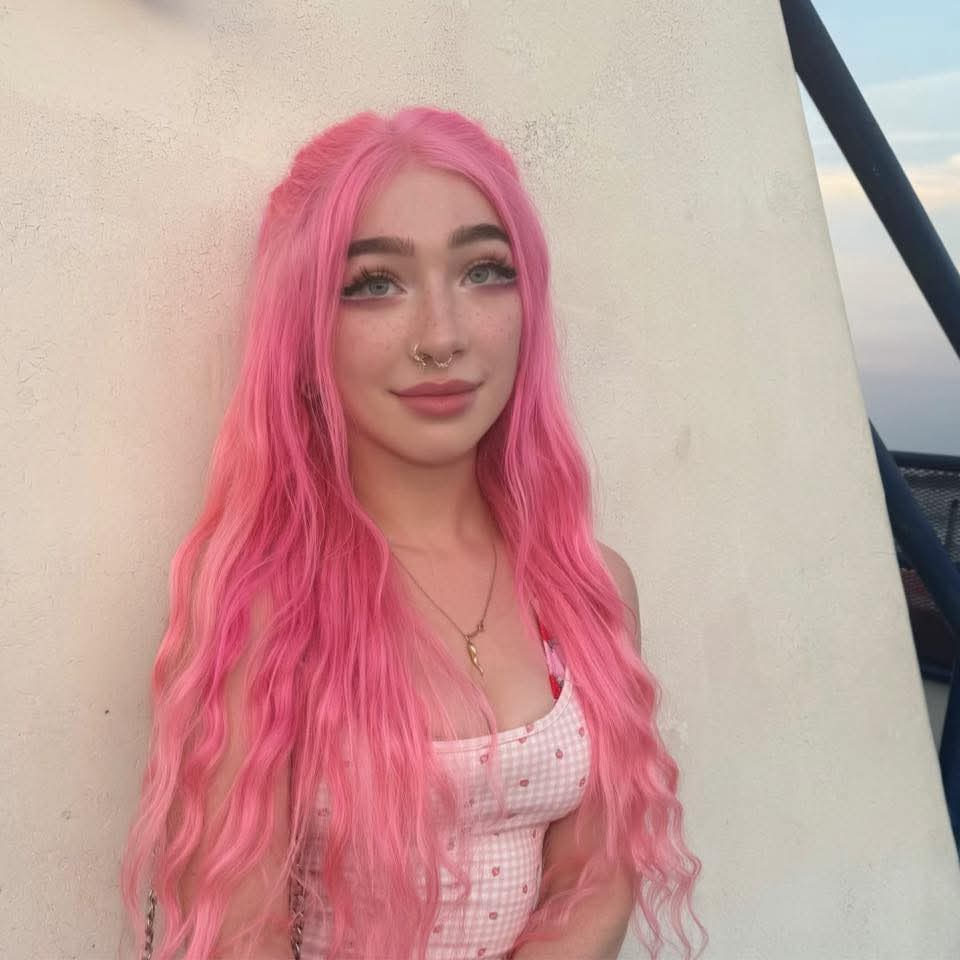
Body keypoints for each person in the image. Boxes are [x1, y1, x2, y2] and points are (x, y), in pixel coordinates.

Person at [119, 106, 707, 960]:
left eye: (484, 271)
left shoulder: (588, 587)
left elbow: (595, 880)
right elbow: (241, 930)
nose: (442, 337)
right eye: (374, 284)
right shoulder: (263, 600)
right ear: (303, 328)